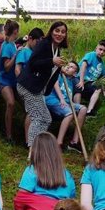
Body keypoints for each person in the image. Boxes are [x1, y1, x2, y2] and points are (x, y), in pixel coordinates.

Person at [17, 22, 68, 150]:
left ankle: (35, 148)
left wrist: (59, 69)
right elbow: (33, 63)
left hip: (38, 90)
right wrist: (52, 61)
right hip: (28, 86)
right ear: (51, 31)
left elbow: (49, 70)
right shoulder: (44, 44)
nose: (59, 34)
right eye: (57, 30)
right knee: (39, 118)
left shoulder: (57, 50)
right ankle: (32, 149)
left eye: (63, 32)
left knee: (45, 118)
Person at [44, 61, 87, 153]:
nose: (68, 67)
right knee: (69, 113)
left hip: (66, 103)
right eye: (67, 65)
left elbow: (70, 98)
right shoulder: (59, 74)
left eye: (71, 67)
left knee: (83, 109)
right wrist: (61, 99)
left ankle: (74, 142)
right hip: (53, 99)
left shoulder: (72, 82)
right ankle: (58, 143)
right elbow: (55, 84)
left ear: (75, 73)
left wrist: (68, 102)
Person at [15, 28, 45, 147]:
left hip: (36, 86)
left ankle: (33, 139)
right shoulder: (24, 52)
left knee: (35, 112)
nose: (38, 45)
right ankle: (28, 141)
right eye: (37, 42)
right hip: (27, 86)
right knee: (32, 112)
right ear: (30, 39)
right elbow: (18, 70)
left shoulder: (34, 53)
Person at [0, 20, 20, 143]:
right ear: (14, 32)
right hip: (4, 80)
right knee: (10, 103)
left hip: (14, 81)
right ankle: (8, 135)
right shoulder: (6, 46)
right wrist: (15, 56)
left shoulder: (14, 45)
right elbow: (6, 67)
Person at [74, 39, 105, 115]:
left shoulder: (102, 64)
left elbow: (102, 78)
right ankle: (77, 109)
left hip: (89, 83)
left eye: (104, 51)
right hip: (79, 78)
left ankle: (89, 110)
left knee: (97, 89)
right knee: (79, 86)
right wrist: (81, 81)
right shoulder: (91, 55)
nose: (102, 52)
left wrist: (104, 91)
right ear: (96, 48)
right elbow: (83, 66)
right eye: (100, 49)